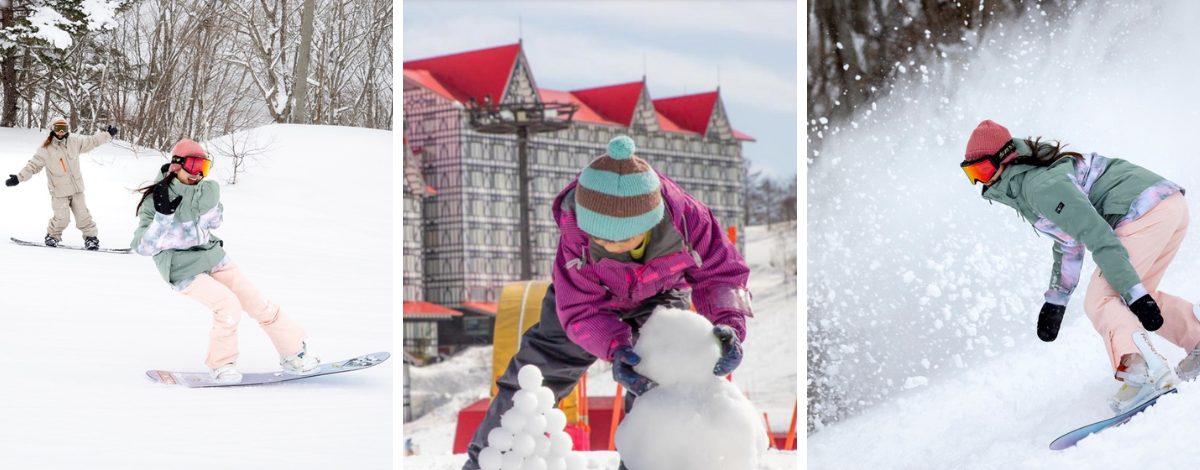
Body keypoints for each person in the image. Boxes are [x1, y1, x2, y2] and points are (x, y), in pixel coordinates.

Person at [463, 136, 753, 470]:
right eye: (600, 238)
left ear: (651, 221)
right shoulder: (575, 235)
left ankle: (649, 462)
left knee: (664, 374)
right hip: (585, 299)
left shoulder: (689, 221)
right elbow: (581, 310)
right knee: (536, 373)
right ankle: (490, 462)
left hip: (660, 294)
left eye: (625, 239)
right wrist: (615, 348)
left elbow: (723, 275)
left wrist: (729, 324)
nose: (612, 247)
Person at [960, 120, 1200, 415]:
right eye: (971, 174)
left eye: (982, 170)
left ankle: (1143, 373)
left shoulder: (1040, 186)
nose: (980, 182)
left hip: (1143, 211)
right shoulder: (1032, 182)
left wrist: (1135, 295)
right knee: (1132, 298)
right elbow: (1070, 240)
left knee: (1102, 299)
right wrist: (1056, 301)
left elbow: (1098, 236)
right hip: (1166, 205)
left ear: (1005, 158)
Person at [130, 138, 319, 383]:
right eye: (193, 165)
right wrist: (163, 218)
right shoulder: (156, 198)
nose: (199, 173)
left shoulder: (205, 190)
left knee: (258, 304)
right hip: (180, 267)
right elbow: (143, 247)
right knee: (228, 305)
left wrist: (211, 205)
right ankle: (222, 364)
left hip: (213, 256)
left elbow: (214, 223)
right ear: (176, 165)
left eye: (204, 167)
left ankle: (294, 354)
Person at [6, 116, 118, 250]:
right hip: (59, 191)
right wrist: (19, 178)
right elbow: (33, 166)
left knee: (83, 217)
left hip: (76, 190)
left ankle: (91, 239)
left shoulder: (74, 143)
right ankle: (52, 236)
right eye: (58, 128)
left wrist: (107, 135)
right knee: (62, 218)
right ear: (52, 129)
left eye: (63, 128)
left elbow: (92, 142)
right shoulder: (45, 149)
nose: (61, 132)